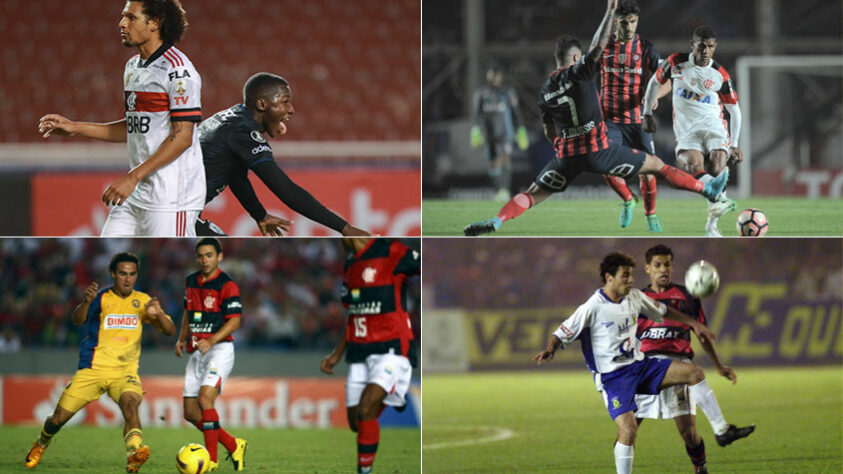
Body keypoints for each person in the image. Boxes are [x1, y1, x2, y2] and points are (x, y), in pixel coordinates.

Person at [463, 0, 729, 237]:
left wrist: (651, 97)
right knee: (657, 166)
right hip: (599, 144)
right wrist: (610, 9)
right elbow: (597, 46)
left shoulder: (545, 91)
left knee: (533, 193)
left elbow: (549, 132)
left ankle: (498, 220)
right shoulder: (583, 71)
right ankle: (706, 190)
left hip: (567, 155)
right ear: (578, 58)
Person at [534, 251, 754, 474]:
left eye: (631, 275)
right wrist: (550, 348)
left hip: (641, 366)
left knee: (694, 373)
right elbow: (562, 332)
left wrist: (694, 324)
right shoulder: (592, 307)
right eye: (625, 276)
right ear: (609, 277)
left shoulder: (634, 297)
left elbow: (664, 311)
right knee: (628, 431)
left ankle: (722, 430)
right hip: (614, 378)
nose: (631, 280)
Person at [37, 0, 205, 237]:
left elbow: (183, 136)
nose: (122, 23)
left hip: (171, 196)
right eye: (123, 16)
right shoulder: (133, 67)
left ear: (155, 23)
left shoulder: (178, 71)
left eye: (131, 17)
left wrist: (132, 177)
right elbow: (136, 128)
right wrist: (76, 128)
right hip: (138, 190)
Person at [25, 252, 176, 472]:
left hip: (125, 372)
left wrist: (160, 314)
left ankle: (134, 454)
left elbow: (169, 331)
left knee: (131, 406)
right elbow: (77, 320)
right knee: (57, 419)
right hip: (93, 369)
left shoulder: (143, 301)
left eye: (132, 274)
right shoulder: (100, 297)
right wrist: (85, 302)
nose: (127, 279)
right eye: (123, 274)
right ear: (113, 274)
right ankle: (41, 443)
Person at [195, 72, 371, 237]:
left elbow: (236, 177)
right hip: (174, 209)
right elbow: (287, 191)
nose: (291, 109)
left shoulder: (232, 118)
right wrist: (345, 228)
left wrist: (260, 215)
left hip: (177, 206)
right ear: (262, 104)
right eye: (285, 102)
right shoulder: (243, 132)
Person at [636, 244, 746, 473]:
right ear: (647, 268)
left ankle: (701, 468)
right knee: (628, 428)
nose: (663, 269)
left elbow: (702, 334)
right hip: (646, 365)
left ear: (673, 266)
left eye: (667, 264)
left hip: (678, 365)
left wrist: (718, 365)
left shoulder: (686, 295)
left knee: (689, 433)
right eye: (657, 265)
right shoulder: (639, 299)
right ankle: (722, 430)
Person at [321, 237, 420, 474]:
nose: (337, 241)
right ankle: (392, 394)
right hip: (359, 351)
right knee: (357, 422)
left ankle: (363, 471)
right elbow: (354, 313)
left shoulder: (390, 251)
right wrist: (336, 353)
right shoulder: (350, 264)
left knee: (367, 409)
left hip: (391, 347)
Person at [642, 25, 743, 236]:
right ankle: (720, 199)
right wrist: (647, 114)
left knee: (717, 164)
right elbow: (653, 84)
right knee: (692, 165)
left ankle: (711, 227)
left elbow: (735, 111)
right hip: (687, 130)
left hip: (714, 126)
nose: (705, 51)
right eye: (701, 46)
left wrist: (734, 144)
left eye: (710, 47)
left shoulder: (720, 74)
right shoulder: (676, 62)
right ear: (692, 45)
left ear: (715, 48)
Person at [598, 0, 671, 232]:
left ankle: (650, 215)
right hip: (610, 122)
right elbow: (583, 74)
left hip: (638, 121)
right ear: (615, 21)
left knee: (648, 173)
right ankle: (628, 199)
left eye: (633, 21)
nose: (629, 27)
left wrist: (655, 94)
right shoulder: (603, 46)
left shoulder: (646, 48)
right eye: (624, 22)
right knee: (605, 166)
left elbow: (667, 80)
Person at [174, 238, 246, 471]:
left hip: (220, 348)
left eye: (209, 255)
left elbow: (235, 321)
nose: (205, 260)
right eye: (201, 256)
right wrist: (182, 338)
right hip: (198, 350)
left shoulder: (227, 285)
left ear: (219, 256)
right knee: (191, 413)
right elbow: (188, 312)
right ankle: (233, 444)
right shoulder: (191, 281)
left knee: (205, 399)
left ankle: (212, 462)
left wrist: (212, 340)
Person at [470, 66, 529, 201]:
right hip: (489, 133)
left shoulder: (507, 92)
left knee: (505, 157)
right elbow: (476, 114)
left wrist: (521, 129)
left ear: (500, 76)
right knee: (492, 162)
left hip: (505, 132)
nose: (493, 77)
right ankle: (497, 190)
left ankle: (504, 190)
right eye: (490, 75)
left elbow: (516, 112)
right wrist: (475, 130)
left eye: (495, 75)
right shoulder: (481, 93)